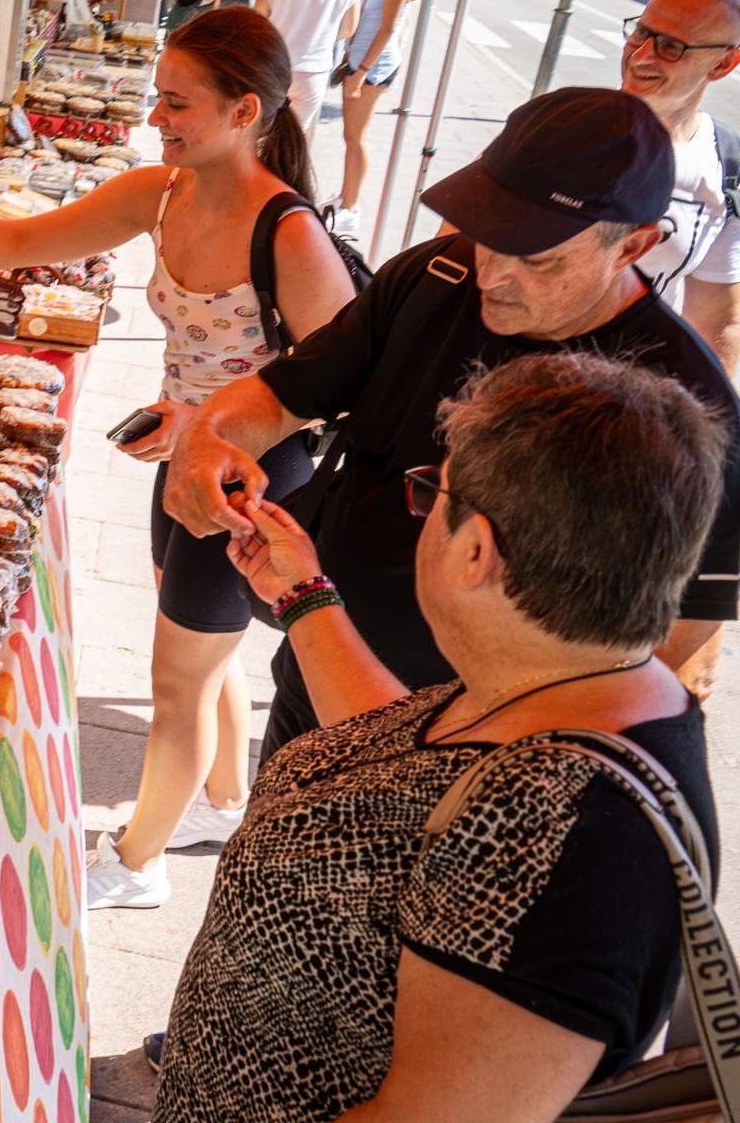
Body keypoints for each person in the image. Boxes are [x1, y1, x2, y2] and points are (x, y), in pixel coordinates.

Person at [134, 352, 725, 1123]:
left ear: (476, 549)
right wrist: (302, 596)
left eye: (431, 495)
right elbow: (407, 769)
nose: (423, 514)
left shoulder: (569, 824)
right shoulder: (561, 680)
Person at [0, 8, 358, 909]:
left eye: (178, 103)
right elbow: (30, 242)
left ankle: (135, 865)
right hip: (183, 463)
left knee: (175, 679)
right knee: (205, 655)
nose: (157, 117)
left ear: (243, 111)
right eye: (157, 97)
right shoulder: (164, 193)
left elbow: (342, 384)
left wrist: (213, 419)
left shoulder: (290, 235)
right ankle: (219, 800)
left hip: (252, 485)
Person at [163, 87, 740, 759]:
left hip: (475, 749)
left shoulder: (689, 408)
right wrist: (210, 434)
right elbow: (288, 390)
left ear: (633, 245)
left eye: (538, 258)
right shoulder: (436, 274)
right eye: (489, 234)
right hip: (321, 665)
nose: (491, 273)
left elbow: (682, 642)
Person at [620, 0, 740, 369]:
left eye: (671, 46)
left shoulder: (727, 166)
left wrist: (714, 426)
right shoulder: (553, 127)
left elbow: (716, 325)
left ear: (722, 65)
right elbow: (456, 247)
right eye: (640, 31)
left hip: (624, 406)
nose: (640, 55)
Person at [331, 0, 420, 235]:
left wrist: (361, 71)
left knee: (356, 138)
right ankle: (345, 197)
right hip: (362, 61)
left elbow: (388, 29)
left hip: (373, 66)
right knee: (350, 136)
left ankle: (350, 207)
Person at [252, 0, 362, 134]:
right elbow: (349, 28)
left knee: (258, 136)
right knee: (292, 142)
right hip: (314, 72)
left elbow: (258, 20)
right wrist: (320, 32)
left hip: (274, 65)